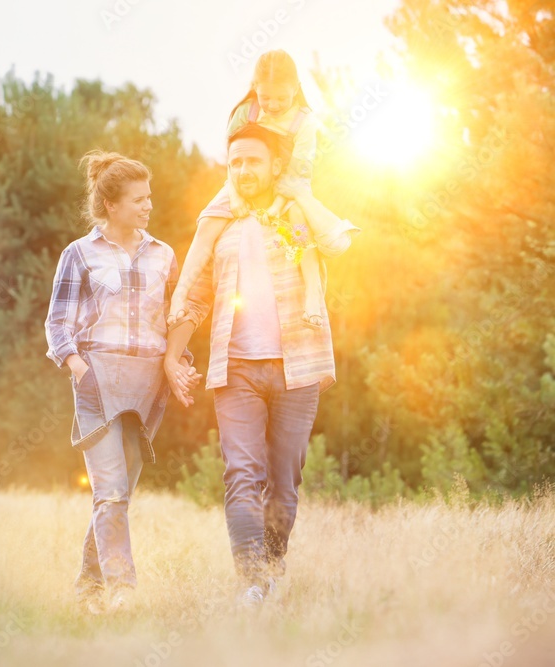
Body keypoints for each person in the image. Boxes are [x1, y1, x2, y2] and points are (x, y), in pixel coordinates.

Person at [164, 123, 359, 607]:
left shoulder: (294, 214)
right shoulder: (221, 223)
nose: (244, 170)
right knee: (241, 472)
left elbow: (336, 243)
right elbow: (198, 296)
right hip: (236, 369)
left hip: (299, 365)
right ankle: (250, 581)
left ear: (275, 165)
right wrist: (172, 353)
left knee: (285, 478)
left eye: (253, 161)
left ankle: (272, 570)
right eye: (235, 162)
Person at [45, 150, 198, 615]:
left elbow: (174, 318)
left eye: (149, 198)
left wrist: (179, 363)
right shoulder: (80, 254)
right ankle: (121, 590)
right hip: (97, 378)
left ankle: (87, 587)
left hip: (147, 383)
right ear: (111, 205)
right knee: (110, 489)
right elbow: (57, 323)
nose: (148, 206)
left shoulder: (164, 255)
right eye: (137, 199)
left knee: (120, 492)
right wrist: (78, 369)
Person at [170, 49, 329, 331]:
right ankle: (180, 294)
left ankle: (313, 294)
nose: (273, 104)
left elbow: (299, 172)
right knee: (208, 221)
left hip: (289, 181)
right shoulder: (247, 111)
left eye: (282, 98)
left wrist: (277, 207)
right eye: (266, 97)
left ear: (296, 89)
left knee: (299, 221)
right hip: (241, 178)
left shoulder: (305, 122)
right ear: (255, 88)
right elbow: (233, 160)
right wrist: (234, 197)